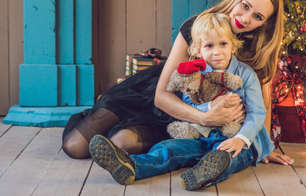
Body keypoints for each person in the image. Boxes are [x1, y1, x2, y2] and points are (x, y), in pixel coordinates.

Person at [62, 0, 293, 165]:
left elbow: (263, 100)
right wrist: (206, 116)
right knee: (75, 146)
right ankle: (92, 114)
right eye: (245, 6)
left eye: (258, 17)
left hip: (181, 120)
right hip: (155, 95)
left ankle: (133, 136)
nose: (245, 18)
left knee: (121, 142)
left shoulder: (259, 50)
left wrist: (266, 147)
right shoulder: (197, 25)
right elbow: (162, 96)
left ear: (265, 23)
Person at [89, 13, 279, 190]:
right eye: (209, 46)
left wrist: (241, 139)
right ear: (197, 50)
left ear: (233, 45)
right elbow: (189, 105)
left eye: (223, 44)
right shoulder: (193, 75)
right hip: (199, 135)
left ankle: (205, 173)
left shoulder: (245, 74)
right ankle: (132, 167)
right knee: (171, 148)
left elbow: (257, 112)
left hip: (235, 138)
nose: (217, 52)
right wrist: (209, 108)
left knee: (230, 156)